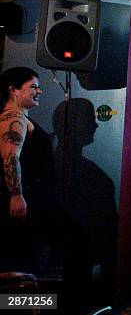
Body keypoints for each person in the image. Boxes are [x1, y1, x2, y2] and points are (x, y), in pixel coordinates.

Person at [0, 67, 93, 314]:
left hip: (35, 198)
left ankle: (38, 307)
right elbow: (10, 157)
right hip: (32, 198)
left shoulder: (17, 117)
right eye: (33, 86)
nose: (39, 91)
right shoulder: (14, 117)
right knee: (80, 241)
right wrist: (16, 195)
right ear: (13, 90)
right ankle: (70, 307)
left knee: (26, 263)